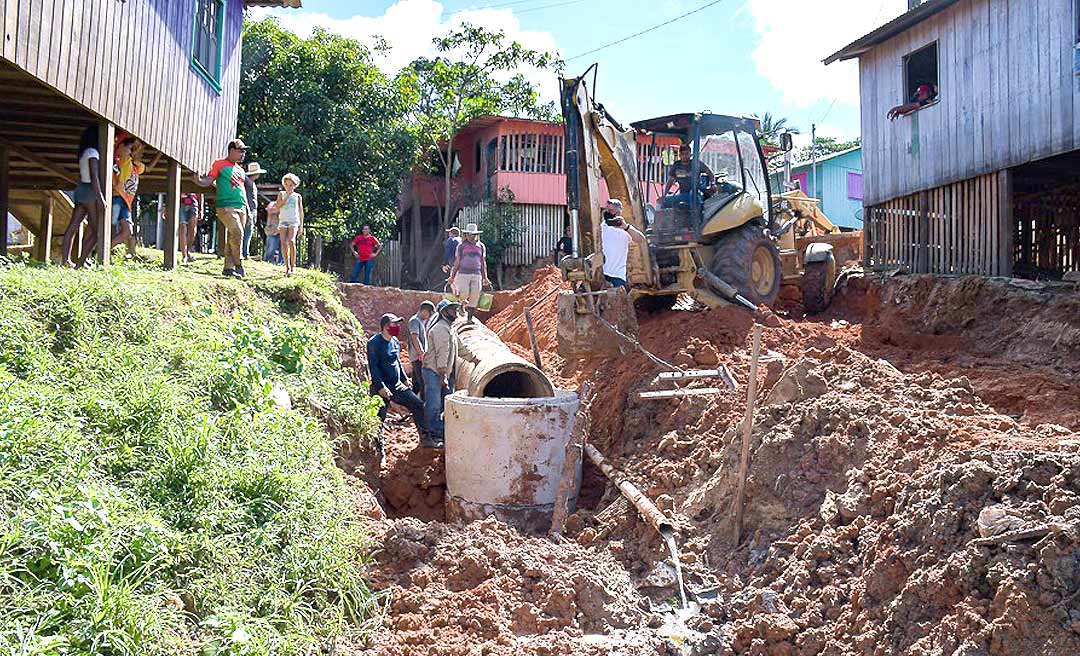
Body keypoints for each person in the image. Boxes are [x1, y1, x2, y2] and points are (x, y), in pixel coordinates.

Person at [366, 313, 428, 445]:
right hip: (381, 387)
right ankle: (378, 448)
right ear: (385, 326)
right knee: (378, 419)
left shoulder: (394, 342)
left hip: (396, 385)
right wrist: (381, 387)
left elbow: (398, 362)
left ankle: (425, 438)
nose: (397, 327)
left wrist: (405, 380)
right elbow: (373, 367)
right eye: (394, 325)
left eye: (398, 325)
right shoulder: (374, 343)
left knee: (417, 404)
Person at [193, 139, 249, 278]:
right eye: (240, 150)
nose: (243, 154)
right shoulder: (220, 164)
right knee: (237, 232)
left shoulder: (241, 170)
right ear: (231, 150)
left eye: (244, 151)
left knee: (233, 237)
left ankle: (228, 268)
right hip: (226, 206)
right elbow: (209, 180)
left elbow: (242, 190)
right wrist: (199, 181)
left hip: (241, 206)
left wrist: (248, 209)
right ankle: (239, 264)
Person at [61, 126, 106, 267]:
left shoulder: (83, 152)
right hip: (90, 191)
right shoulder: (93, 152)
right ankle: (80, 263)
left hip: (80, 189)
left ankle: (65, 260)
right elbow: (94, 176)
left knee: (72, 226)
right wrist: (100, 197)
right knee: (97, 230)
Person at [422, 299, 460, 447]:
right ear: (444, 312)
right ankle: (431, 435)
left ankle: (439, 431)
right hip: (434, 371)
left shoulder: (450, 328)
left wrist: (475, 360)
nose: (455, 313)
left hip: (441, 372)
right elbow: (441, 354)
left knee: (444, 403)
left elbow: (460, 348)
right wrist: (443, 375)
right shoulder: (440, 329)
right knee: (434, 404)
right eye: (452, 310)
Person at [599, 198, 646, 289]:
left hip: (617, 275)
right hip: (601, 274)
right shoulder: (601, 227)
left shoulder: (625, 229)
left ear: (618, 213)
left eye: (611, 210)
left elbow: (641, 239)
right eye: (607, 210)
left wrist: (626, 227)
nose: (607, 212)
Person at [448, 223, 489, 311]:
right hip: (463, 273)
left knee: (475, 295)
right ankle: (462, 305)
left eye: (473, 234)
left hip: (477, 274)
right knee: (464, 292)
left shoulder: (481, 246)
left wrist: (485, 277)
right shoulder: (461, 246)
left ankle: (470, 318)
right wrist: (452, 276)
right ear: (466, 234)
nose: (471, 236)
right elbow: (457, 262)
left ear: (476, 235)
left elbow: (482, 262)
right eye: (469, 234)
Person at [662, 143, 714, 209]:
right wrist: (664, 195)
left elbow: (710, 173)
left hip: (696, 193)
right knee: (665, 201)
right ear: (679, 155)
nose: (684, 156)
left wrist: (712, 184)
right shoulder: (676, 165)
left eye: (686, 154)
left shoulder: (696, 163)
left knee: (692, 196)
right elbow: (670, 181)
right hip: (682, 194)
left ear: (690, 154)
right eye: (682, 154)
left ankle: (696, 217)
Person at [276, 173, 304, 277]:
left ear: (294, 185)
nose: (289, 187)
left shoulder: (297, 196)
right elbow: (278, 206)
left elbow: (301, 211)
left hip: (294, 221)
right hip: (283, 220)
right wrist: (286, 196)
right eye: (287, 185)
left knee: (291, 241)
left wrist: (301, 226)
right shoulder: (281, 194)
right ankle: (287, 266)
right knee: (283, 243)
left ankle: (293, 266)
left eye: (291, 185)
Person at [407, 300, 436, 398]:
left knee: (416, 384)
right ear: (424, 311)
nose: (428, 317)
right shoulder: (415, 321)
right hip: (418, 358)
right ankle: (423, 407)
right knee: (423, 384)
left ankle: (413, 406)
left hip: (417, 357)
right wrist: (422, 354)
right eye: (429, 314)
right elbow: (415, 338)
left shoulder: (419, 321)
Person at [243, 162, 266, 259]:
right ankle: (244, 253)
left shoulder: (251, 182)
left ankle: (244, 252)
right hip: (249, 209)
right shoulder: (247, 182)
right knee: (247, 231)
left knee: (248, 231)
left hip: (252, 209)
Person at [179, 193, 200, 263]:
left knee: (193, 230)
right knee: (182, 227)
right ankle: (184, 255)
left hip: (193, 202)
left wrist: (201, 208)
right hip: (180, 201)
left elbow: (200, 192)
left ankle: (187, 251)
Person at [263, 198, 282, 264]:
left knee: (283, 250)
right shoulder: (273, 203)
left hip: (283, 230)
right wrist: (282, 208)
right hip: (272, 230)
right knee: (271, 249)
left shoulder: (288, 204)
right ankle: (267, 262)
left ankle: (281, 264)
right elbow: (270, 210)